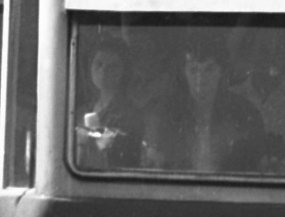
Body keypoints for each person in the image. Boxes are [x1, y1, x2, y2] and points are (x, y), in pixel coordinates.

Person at [143, 35, 267, 174]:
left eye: (209, 69)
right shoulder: (166, 112)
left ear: (221, 71)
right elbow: (157, 164)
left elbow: (253, 166)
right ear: (184, 72)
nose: (200, 79)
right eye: (193, 70)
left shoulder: (244, 112)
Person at [75, 35, 142, 169]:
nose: (104, 71)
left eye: (113, 66)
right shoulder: (81, 111)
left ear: (124, 71)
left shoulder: (131, 115)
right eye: (99, 64)